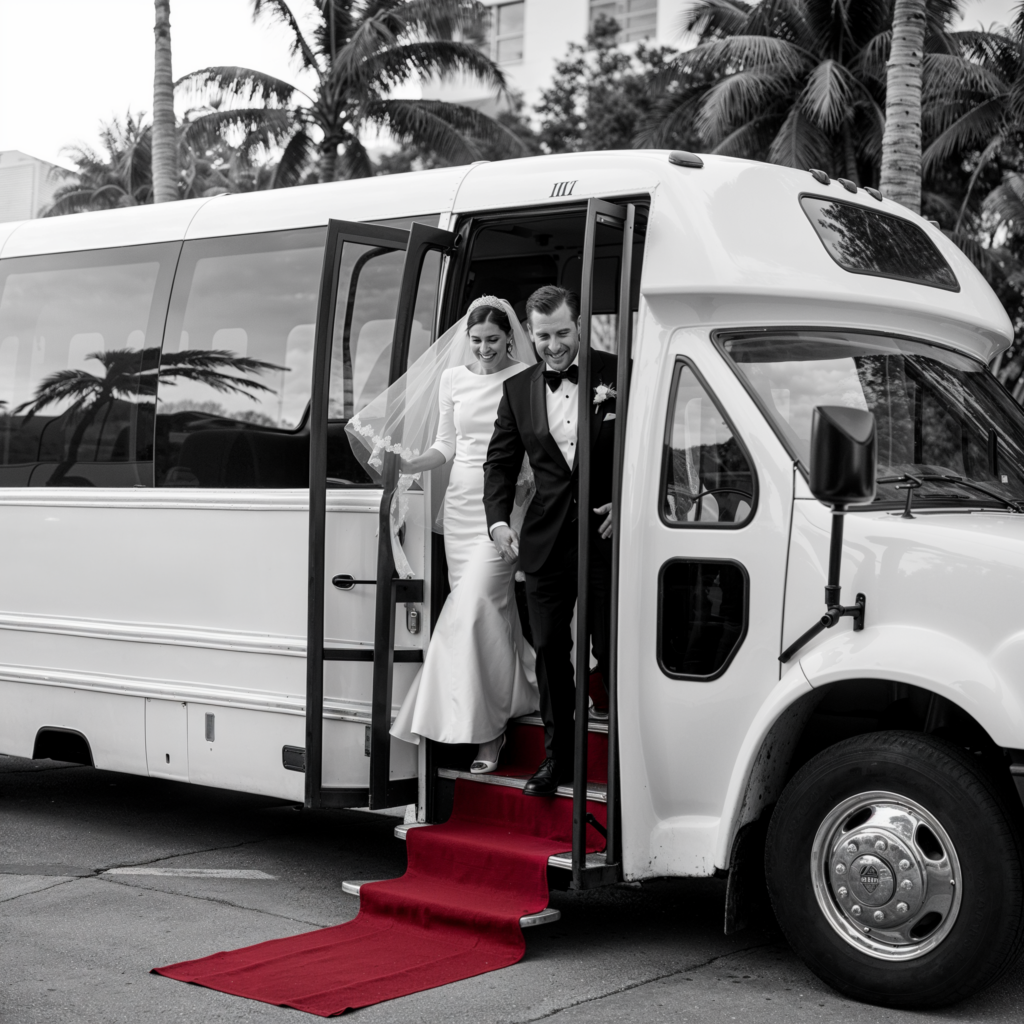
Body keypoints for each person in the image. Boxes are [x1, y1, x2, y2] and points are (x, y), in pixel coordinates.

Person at [348, 297, 539, 773]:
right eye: (475, 341)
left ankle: (487, 730)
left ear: (509, 337)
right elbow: (447, 445)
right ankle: (522, 690)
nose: (483, 349)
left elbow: (537, 444)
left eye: (493, 340)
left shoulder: (525, 380)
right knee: (490, 617)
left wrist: (525, 490)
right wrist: (411, 463)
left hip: (505, 508)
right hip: (459, 506)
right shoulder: (454, 380)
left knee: (473, 606)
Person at [483, 285, 617, 797]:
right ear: (531, 334)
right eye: (543, 336)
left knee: (610, 647)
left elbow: (657, 446)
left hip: (606, 537)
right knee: (550, 655)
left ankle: (625, 759)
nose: (554, 346)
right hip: (544, 541)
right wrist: (498, 522)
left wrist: (626, 503)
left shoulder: (618, 371)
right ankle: (558, 759)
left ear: (578, 323)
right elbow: (498, 463)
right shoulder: (517, 390)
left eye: (562, 333)